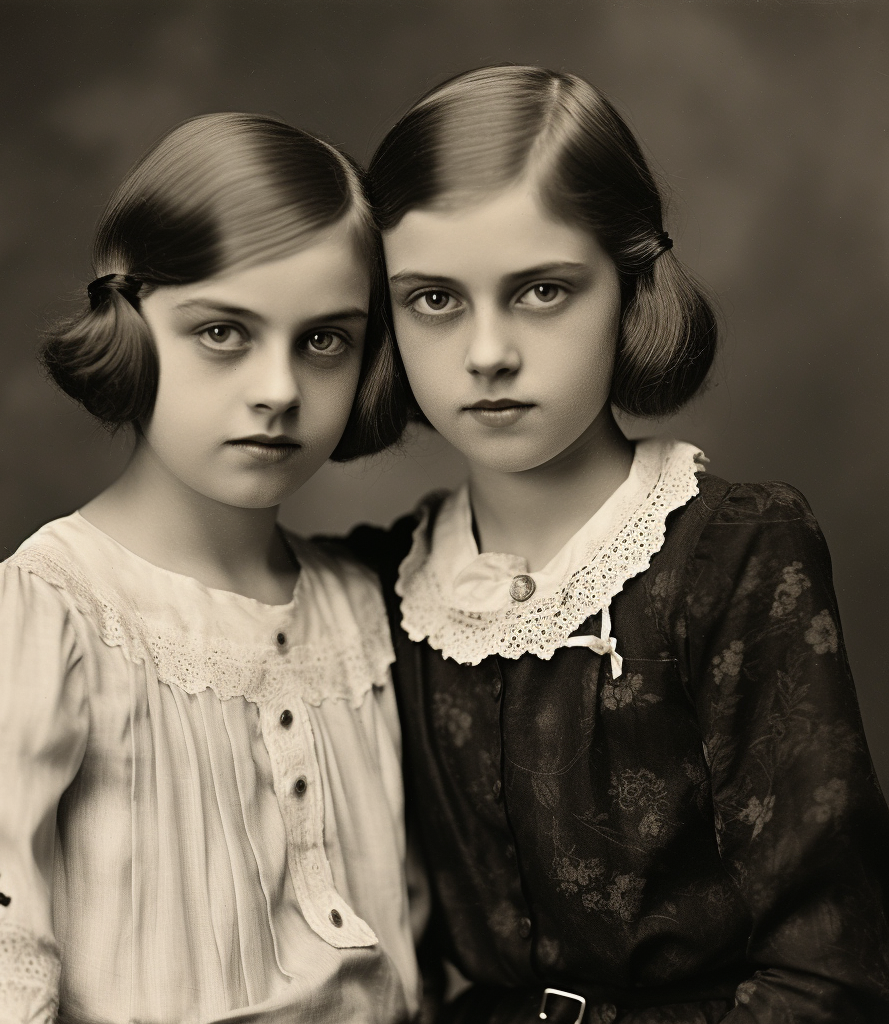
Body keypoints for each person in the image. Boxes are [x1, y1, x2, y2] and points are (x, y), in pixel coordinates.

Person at [345, 66, 889, 1023]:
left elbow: (828, 974)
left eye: (542, 290)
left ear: (632, 285)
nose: (487, 353)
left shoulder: (737, 553)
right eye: (434, 300)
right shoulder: (379, 582)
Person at [0, 113, 420, 1024]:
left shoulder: (368, 610)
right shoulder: (33, 620)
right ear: (129, 323)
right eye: (223, 332)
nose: (279, 390)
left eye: (324, 340)